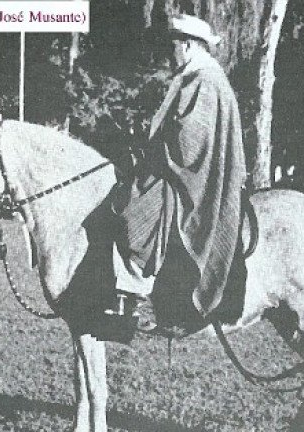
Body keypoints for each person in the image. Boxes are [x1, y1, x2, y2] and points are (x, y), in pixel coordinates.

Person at [105, 14, 247, 329]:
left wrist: (151, 143)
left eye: (172, 46)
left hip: (199, 176)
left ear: (186, 45)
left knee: (133, 207)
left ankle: (132, 298)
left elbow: (190, 141)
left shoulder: (204, 79)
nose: (170, 53)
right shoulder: (196, 76)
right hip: (194, 169)